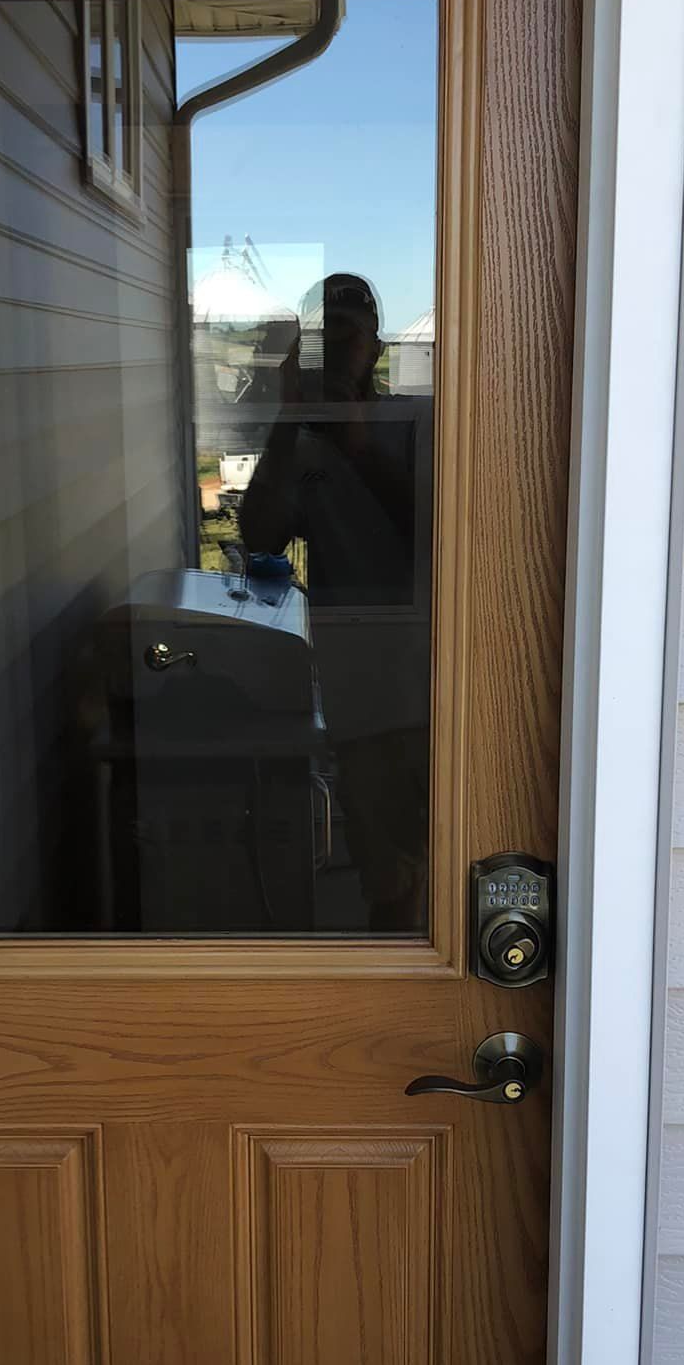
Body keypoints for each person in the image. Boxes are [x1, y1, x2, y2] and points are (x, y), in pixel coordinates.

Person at [240, 272, 432, 932]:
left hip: (442, 686)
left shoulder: (417, 423)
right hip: (363, 700)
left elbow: (446, 538)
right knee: (391, 885)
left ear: (376, 347)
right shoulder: (303, 444)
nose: (341, 351)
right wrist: (287, 420)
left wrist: (358, 444)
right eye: (326, 338)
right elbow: (260, 537)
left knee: (457, 868)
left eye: (351, 335)